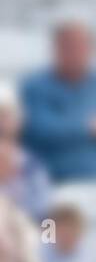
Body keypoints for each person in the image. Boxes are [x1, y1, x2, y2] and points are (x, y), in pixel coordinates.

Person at [20, 16, 96, 183]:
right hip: (51, 183)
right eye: (68, 47)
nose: (75, 53)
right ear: (56, 49)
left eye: (81, 46)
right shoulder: (35, 86)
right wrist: (91, 127)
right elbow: (38, 128)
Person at [0, 83, 52, 222]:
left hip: (25, 237)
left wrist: (50, 243)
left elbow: (46, 215)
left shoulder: (33, 166)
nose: (1, 123)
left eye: (5, 115)